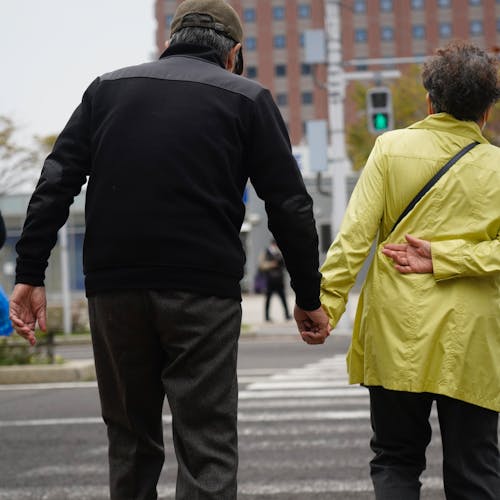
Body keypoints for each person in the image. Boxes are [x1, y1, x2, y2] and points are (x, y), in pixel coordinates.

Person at [9, 1, 330, 498]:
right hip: (202, 292)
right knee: (207, 445)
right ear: (234, 54)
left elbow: (56, 181)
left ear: (172, 39)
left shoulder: (106, 90)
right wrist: (308, 296)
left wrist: (29, 273)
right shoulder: (247, 98)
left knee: (131, 443)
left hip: (114, 290)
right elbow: (289, 204)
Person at [320, 41, 500, 499]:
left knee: (396, 460)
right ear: (487, 112)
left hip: (397, 330)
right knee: (476, 468)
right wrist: (451, 257)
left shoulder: (389, 149)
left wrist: (324, 305)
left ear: (429, 100)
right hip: (472, 338)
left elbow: (354, 237)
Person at [259, 240, 291, 322]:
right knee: (268, 299)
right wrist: (271, 264)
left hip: (279, 280)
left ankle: (287, 314)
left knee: (283, 298)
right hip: (270, 280)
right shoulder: (266, 252)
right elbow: (261, 265)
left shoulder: (279, 253)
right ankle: (266, 316)